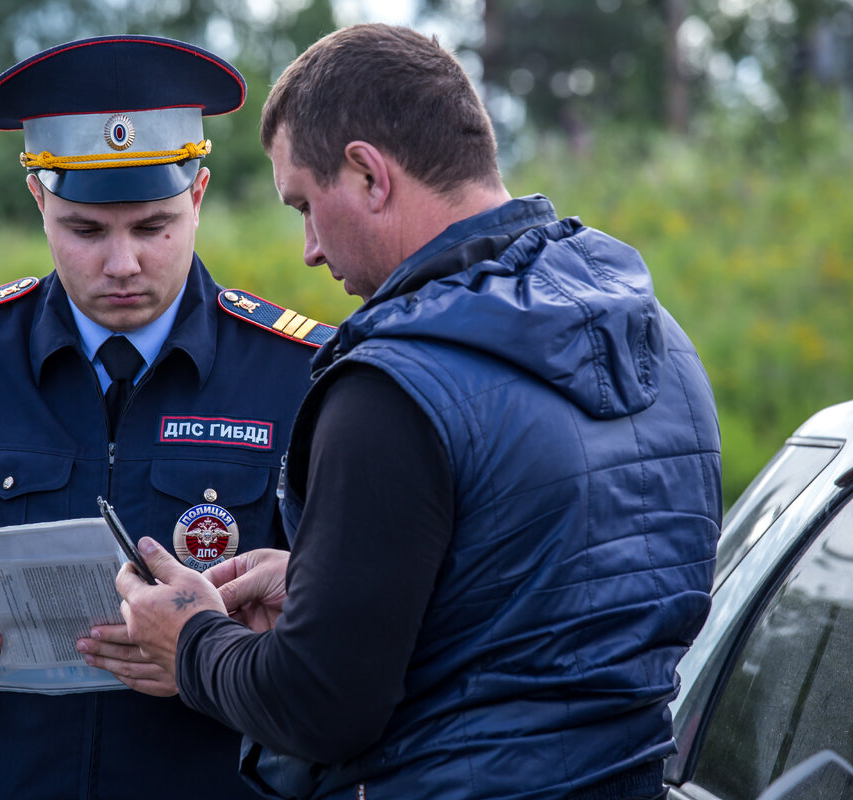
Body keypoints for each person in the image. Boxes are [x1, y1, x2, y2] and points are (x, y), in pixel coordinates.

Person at [116, 23, 723, 800]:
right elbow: (529, 606)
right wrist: (324, 581)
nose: (307, 248)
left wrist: (191, 640)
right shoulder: (660, 340)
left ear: (369, 174)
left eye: (305, 203)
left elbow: (320, 705)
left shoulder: (391, 390)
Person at [0, 35, 331, 800]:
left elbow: (341, 623)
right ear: (39, 201)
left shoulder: (293, 371)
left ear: (197, 196)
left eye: (152, 227)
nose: (121, 263)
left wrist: (211, 653)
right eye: (86, 230)